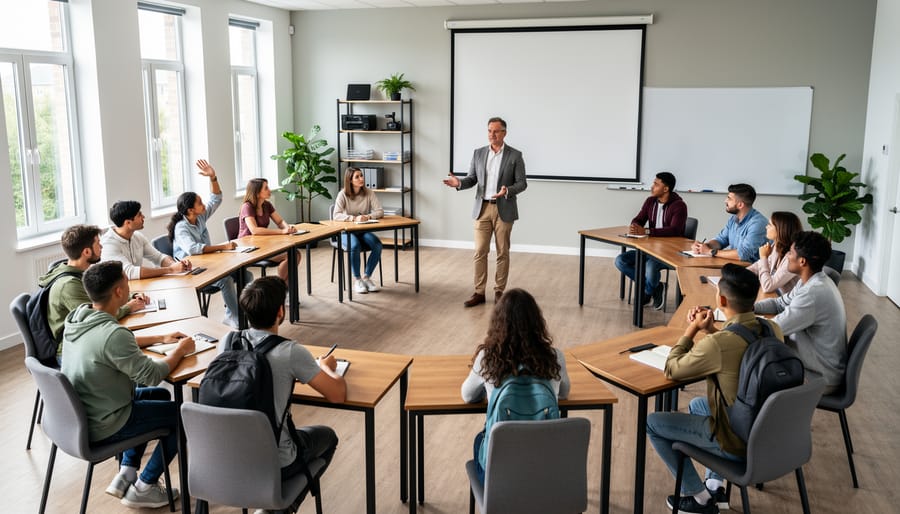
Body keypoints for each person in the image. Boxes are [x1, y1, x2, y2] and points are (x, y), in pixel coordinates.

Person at [647, 263, 781, 514]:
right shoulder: (772, 329)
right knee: (698, 405)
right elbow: (739, 351)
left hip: (736, 442)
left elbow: (673, 368)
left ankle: (697, 497)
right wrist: (712, 330)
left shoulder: (719, 344)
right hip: (767, 434)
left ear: (720, 298)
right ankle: (714, 484)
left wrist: (693, 329)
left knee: (653, 423)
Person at [61, 261, 194, 509]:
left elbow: (113, 343)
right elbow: (151, 374)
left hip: (86, 411)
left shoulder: (79, 317)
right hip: (107, 421)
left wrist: (160, 337)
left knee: (159, 397)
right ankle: (145, 485)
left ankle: (128, 471)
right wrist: (179, 349)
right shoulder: (113, 335)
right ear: (119, 292)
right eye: (125, 279)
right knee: (184, 417)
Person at [221, 276, 345, 486]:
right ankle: (282, 507)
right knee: (329, 437)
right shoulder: (290, 352)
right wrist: (323, 366)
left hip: (229, 457)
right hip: (276, 460)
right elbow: (337, 395)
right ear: (280, 311)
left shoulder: (228, 341)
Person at [461, 288, 570, 483]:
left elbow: (467, 396)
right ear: (537, 322)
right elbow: (564, 392)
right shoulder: (554, 357)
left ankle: (495, 500)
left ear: (497, 323)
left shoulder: (487, 358)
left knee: (481, 439)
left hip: (500, 472)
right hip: (544, 467)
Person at [41, 225, 181, 358]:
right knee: (130, 347)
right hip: (70, 350)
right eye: (98, 243)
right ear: (87, 252)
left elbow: (102, 294)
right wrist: (128, 307)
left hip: (88, 338)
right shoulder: (69, 285)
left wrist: (132, 296)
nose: (102, 247)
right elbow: (98, 318)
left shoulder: (78, 271)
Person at [443, 117, 527, 307]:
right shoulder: (479, 153)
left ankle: (499, 292)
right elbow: (472, 179)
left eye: (496, 131)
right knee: (480, 251)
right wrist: (460, 184)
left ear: (504, 133)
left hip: (504, 208)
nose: (492, 135)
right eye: (489, 131)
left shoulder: (515, 155)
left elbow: (522, 183)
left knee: (502, 252)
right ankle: (479, 292)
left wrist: (508, 191)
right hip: (482, 209)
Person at [754, 231, 847, 394]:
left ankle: (753, 418)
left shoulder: (813, 293)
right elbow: (779, 303)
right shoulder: (811, 280)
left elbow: (774, 328)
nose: (787, 256)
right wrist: (749, 308)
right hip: (815, 363)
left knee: (753, 362)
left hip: (819, 377)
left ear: (802, 261)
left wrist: (739, 318)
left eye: (790, 252)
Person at [170, 160, 247, 328]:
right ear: (190, 210)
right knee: (225, 281)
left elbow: (216, 198)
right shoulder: (181, 227)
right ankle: (239, 319)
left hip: (209, 265)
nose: (204, 204)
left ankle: (230, 314)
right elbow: (193, 249)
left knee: (245, 275)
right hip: (192, 272)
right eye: (200, 203)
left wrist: (213, 177)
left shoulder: (200, 217)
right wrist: (223, 247)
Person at [614, 171, 688, 310]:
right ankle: (656, 287)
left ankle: (648, 291)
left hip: (669, 252)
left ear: (665, 189)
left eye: (656, 184)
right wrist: (635, 225)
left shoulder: (679, 206)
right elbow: (639, 219)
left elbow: (675, 230)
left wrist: (647, 231)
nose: (652, 187)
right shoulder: (650, 201)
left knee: (650, 267)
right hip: (649, 249)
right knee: (620, 261)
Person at [101, 200, 192, 279]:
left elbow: (159, 257)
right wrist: (171, 269)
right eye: (139, 215)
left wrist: (176, 265)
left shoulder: (137, 236)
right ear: (128, 223)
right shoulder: (108, 244)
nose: (143, 217)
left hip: (135, 290)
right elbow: (130, 273)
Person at [333, 166, 384, 294]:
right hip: (346, 232)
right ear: (350, 180)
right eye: (357, 177)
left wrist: (368, 216)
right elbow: (336, 215)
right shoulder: (343, 194)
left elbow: (380, 211)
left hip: (363, 230)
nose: (361, 178)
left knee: (377, 245)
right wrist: (354, 218)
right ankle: (357, 280)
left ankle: (366, 278)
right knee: (354, 245)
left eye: (361, 175)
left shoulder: (368, 192)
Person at [239, 177, 300, 282]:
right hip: (249, 249)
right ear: (257, 193)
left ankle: (282, 289)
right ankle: (279, 288)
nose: (269, 190)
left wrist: (287, 228)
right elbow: (255, 230)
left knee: (295, 254)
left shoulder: (266, 205)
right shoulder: (247, 207)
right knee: (291, 255)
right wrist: (282, 232)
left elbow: (280, 221)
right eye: (266, 188)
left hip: (264, 245)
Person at [691, 183, 767, 262]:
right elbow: (721, 240)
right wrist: (703, 246)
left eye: (729, 198)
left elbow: (743, 254)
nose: (725, 201)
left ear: (740, 205)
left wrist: (710, 251)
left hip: (753, 270)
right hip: (736, 266)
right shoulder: (733, 219)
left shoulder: (757, 224)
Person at [746, 211, 802, 294]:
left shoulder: (793, 257)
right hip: (774, 296)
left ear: (781, 229)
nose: (766, 227)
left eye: (770, 225)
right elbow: (757, 267)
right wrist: (738, 275)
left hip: (785, 303)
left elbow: (768, 286)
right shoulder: (776, 246)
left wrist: (763, 257)